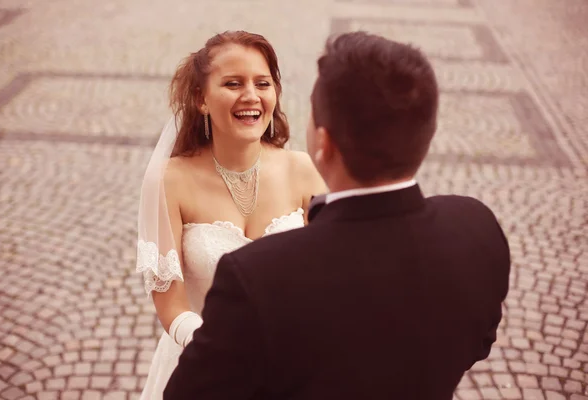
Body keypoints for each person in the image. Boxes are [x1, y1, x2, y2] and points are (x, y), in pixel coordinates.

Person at [164, 31, 511, 400]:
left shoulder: (256, 276)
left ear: (323, 144)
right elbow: (478, 341)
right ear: (428, 132)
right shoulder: (477, 229)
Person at [135, 30, 327, 400]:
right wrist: (218, 352)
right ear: (201, 99)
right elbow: (170, 302)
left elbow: (332, 275)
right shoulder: (169, 179)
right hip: (200, 368)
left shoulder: (302, 170)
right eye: (233, 83)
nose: (251, 96)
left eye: (262, 83)